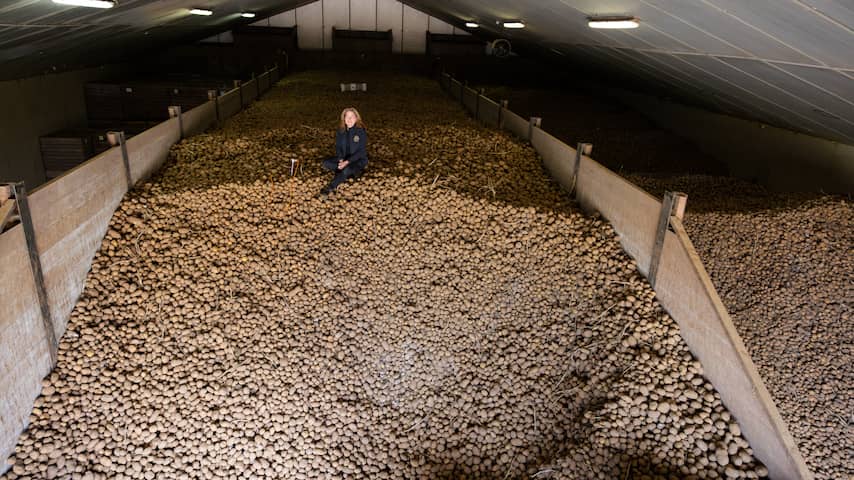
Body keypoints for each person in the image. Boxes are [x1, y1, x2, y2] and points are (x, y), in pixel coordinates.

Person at [320, 107, 368, 195]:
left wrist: (346, 162)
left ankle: (331, 187)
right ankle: (351, 173)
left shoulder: (361, 131)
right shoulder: (340, 131)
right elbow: (338, 147)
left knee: (346, 169)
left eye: (352, 117)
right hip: (344, 159)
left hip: (357, 160)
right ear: (344, 119)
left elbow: (361, 152)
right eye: (347, 117)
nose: (349, 119)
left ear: (356, 118)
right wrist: (341, 159)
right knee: (325, 163)